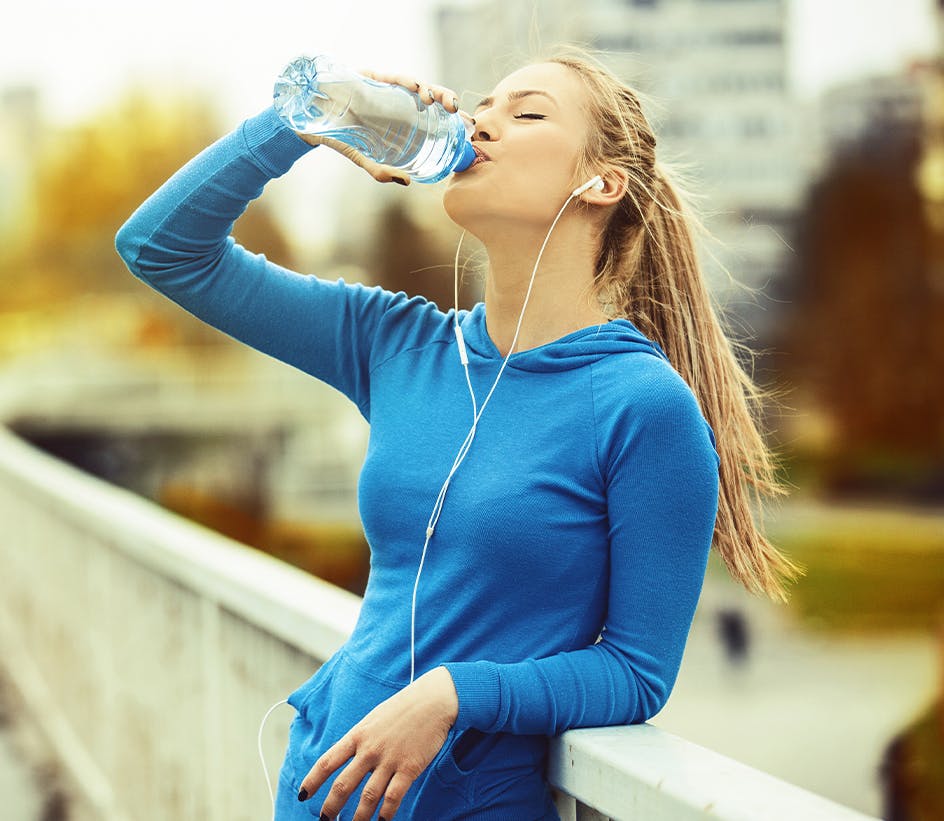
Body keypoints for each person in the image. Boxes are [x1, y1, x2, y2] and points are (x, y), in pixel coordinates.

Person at [115, 45, 803, 821]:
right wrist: (296, 123)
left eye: (527, 111)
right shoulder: (396, 342)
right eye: (483, 106)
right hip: (317, 789)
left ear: (601, 182)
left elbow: (637, 671)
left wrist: (453, 692)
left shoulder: (644, 407)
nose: (482, 122)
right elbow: (161, 248)